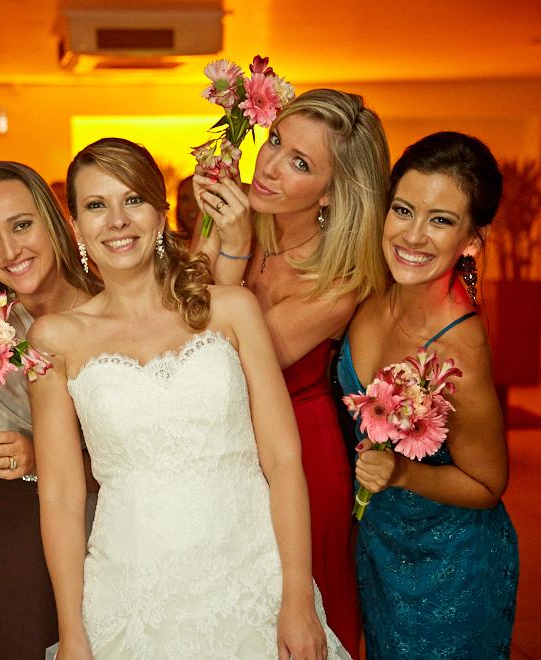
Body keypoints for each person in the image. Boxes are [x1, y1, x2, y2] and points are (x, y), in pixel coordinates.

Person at [28, 138, 350, 660]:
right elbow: (61, 495)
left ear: (160, 213)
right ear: (76, 227)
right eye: (95, 205)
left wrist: (295, 598)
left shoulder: (232, 310)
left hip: (251, 578)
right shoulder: (55, 339)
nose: (116, 220)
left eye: (132, 200)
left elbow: (283, 460)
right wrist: (73, 633)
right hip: (130, 592)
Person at [191, 88, 391, 656]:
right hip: (223, 446)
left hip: (300, 456)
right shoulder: (239, 221)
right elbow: (176, 327)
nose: (270, 166)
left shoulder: (338, 283)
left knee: (293, 620)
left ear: (331, 193)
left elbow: (220, 361)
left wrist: (229, 251)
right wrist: (226, 240)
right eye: (275, 141)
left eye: (300, 163)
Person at [337, 132, 519, 658]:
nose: (413, 235)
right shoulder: (371, 291)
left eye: (440, 220)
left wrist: (403, 473)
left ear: (472, 239)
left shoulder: (461, 350)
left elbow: (489, 484)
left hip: (451, 566)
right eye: (403, 210)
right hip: (380, 547)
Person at [0, 161, 102, 660]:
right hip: (17, 539)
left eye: (21, 225)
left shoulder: (111, 311)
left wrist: (42, 458)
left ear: (54, 218)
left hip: (112, 535)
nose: (10, 251)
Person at [174, 174, 200, 241]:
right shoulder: (171, 247)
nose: (192, 206)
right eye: (185, 198)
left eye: (199, 199)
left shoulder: (226, 247)